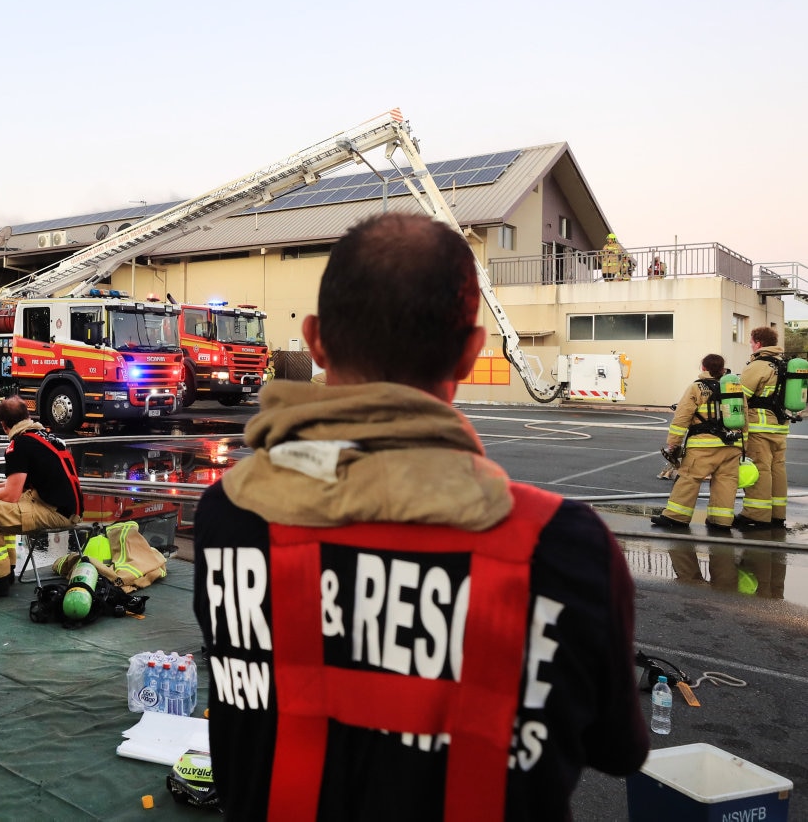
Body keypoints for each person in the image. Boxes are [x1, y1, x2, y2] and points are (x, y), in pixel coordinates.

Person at [191, 212, 648, 820]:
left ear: (316, 340)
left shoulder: (230, 512)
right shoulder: (566, 547)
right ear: (470, 353)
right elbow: (619, 750)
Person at [0, 395, 83, 599]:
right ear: (27, 416)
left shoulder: (19, 445)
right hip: (66, 508)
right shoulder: (44, 437)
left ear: (3, 425)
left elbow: (11, 494)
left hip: (55, 512)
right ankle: (5, 571)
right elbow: (18, 484)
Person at [650, 354, 740, 530]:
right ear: (723, 369)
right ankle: (721, 521)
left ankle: (676, 518)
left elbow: (682, 417)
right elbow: (743, 416)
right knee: (726, 483)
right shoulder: (734, 388)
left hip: (704, 446)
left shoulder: (696, 388)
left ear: (703, 368)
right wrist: (745, 447)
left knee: (689, 479)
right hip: (732, 446)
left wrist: (673, 443)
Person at [736, 326, 790, 529]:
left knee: (760, 469)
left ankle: (756, 515)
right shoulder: (784, 365)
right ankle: (777, 514)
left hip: (759, 428)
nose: (750, 345)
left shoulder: (757, 366)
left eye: (751, 341)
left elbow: (740, 398)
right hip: (780, 427)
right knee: (778, 470)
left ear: (758, 343)